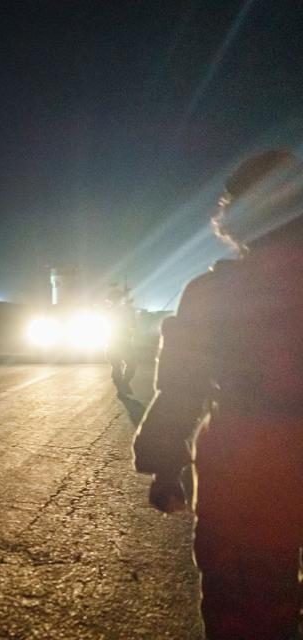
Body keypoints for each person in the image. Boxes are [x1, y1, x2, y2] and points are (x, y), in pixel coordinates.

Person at [133, 149, 303, 639]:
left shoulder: (213, 293)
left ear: (236, 217)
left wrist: (165, 462)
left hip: (246, 464)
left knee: (244, 607)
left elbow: (182, 385)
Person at [104, 286, 137, 397]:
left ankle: (120, 388)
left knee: (116, 367)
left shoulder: (107, 312)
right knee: (131, 365)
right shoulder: (127, 311)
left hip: (112, 343)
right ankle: (124, 384)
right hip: (124, 343)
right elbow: (133, 325)